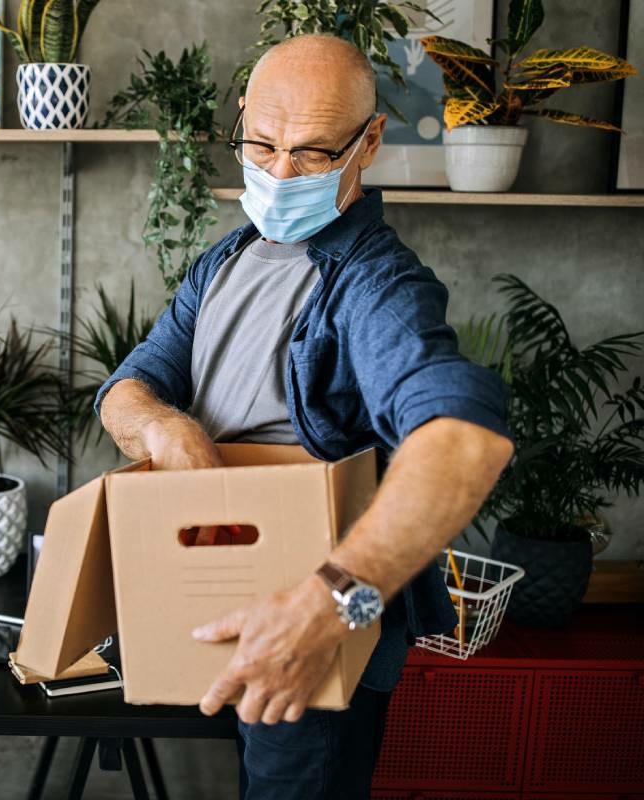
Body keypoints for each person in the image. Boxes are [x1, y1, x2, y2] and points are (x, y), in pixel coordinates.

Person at [95, 34, 514, 799]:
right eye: (261, 144)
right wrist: (165, 428)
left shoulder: (378, 285)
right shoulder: (225, 259)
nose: (281, 173)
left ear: (371, 142)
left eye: (315, 153)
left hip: (315, 637)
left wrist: (330, 605)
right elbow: (127, 386)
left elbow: (464, 441)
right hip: (214, 596)